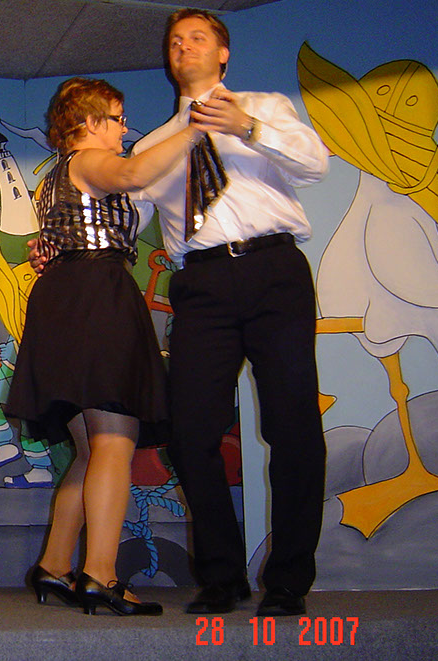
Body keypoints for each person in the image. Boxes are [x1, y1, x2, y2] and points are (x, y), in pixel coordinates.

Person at [132, 8, 328, 617]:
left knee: (292, 427)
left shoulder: (263, 106)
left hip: (274, 271)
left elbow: (315, 164)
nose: (183, 46)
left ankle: (289, 580)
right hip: (202, 284)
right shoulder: (152, 146)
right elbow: (125, 222)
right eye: (175, 40)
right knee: (190, 432)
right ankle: (221, 576)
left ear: (223, 54)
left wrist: (248, 128)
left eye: (197, 37)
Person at [4, 76, 206, 616]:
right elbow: (137, 172)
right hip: (98, 292)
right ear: (90, 123)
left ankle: (54, 565)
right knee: (114, 439)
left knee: (90, 450)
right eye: (116, 118)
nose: (123, 128)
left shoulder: (57, 176)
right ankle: (101, 574)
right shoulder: (91, 160)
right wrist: (194, 130)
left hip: (68, 297)